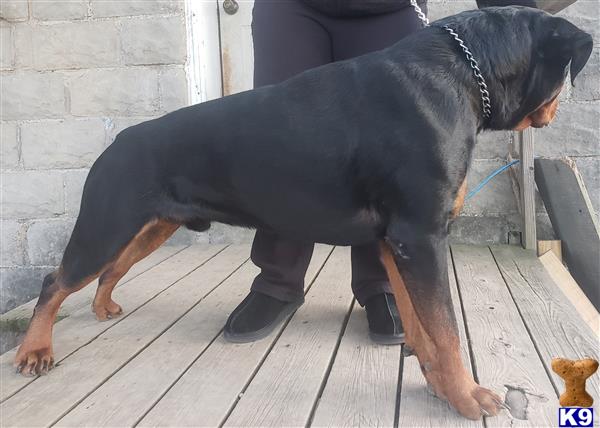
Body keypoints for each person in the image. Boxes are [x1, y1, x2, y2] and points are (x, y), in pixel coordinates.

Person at [223, 0, 539, 345]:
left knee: (394, 149)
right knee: (282, 140)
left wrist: (523, 21)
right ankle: (278, 281)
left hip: (390, 8)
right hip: (290, 8)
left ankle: (381, 284)